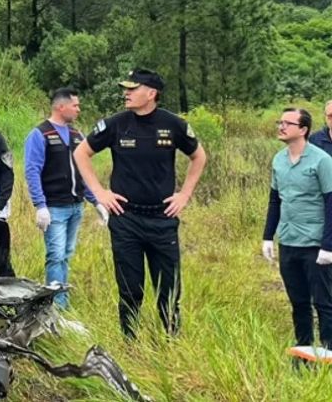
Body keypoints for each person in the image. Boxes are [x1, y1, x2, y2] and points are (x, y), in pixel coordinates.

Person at [74, 69, 207, 338]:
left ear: (151, 93)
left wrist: (184, 194)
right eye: (126, 88)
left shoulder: (173, 124)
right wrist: (99, 192)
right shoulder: (116, 124)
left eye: (132, 89)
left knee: (168, 290)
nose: (126, 93)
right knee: (130, 289)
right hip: (126, 219)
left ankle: (172, 340)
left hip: (162, 219)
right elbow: (81, 153)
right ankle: (130, 342)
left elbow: (199, 156)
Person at [24, 88, 109, 308]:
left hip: (76, 206)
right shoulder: (40, 134)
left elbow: (83, 172)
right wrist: (40, 205)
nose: (78, 109)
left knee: (66, 254)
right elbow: (32, 170)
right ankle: (57, 306)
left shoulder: (76, 135)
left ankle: (61, 297)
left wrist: (96, 201)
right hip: (54, 207)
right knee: (56, 255)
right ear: (61, 107)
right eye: (75, 105)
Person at [262, 107, 332, 350]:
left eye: (287, 123)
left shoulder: (322, 161)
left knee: (323, 301)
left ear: (303, 129)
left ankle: (328, 351)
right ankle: (304, 350)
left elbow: (331, 202)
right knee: (298, 301)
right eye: (279, 122)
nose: (281, 127)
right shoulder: (278, 160)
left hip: (315, 243)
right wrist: (268, 237)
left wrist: (328, 245)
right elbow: (275, 200)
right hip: (288, 240)